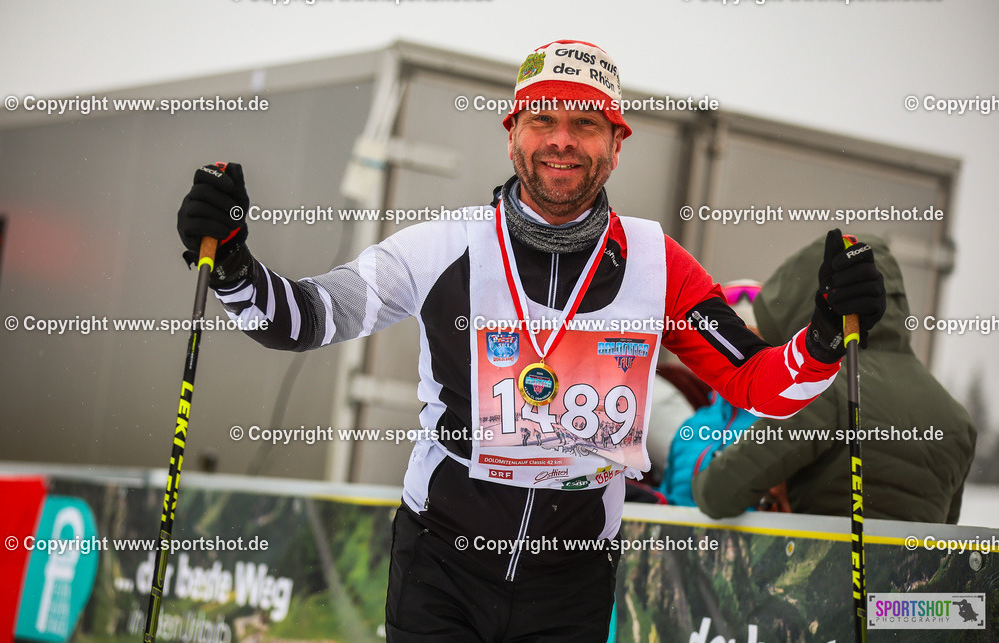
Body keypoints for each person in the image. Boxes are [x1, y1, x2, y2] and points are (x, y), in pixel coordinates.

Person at [176, 40, 887, 642]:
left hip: (569, 582)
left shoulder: (655, 262)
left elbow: (759, 382)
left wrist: (824, 335)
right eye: (542, 118)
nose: (561, 140)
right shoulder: (442, 247)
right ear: (512, 131)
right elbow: (306, 317)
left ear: (616, 143)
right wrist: (235, 264)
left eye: (585, 123)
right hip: (442, 567)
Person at [692, 235, 976, 523]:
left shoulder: (822, 387)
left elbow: (716, 494)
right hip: (915, 569)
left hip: (831, 565)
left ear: (813, 302)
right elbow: (943, 540)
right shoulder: (958, 419)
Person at [657, 281, 763, 507]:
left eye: (752, 343)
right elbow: (667, 505)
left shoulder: (784, 424)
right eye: (726, 343)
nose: (737, 354)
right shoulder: (692, 425)